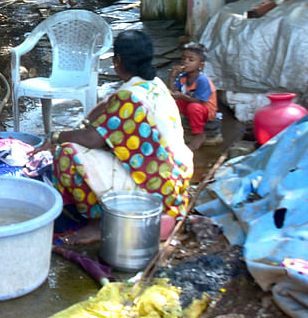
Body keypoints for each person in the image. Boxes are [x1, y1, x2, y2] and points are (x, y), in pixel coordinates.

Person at [32, 30, 194, 244]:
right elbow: (108, 105)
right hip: (174, 183)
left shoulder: (128, 98)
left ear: (117, 61)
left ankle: (97, 225)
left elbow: (92, 139)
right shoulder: (154, 84)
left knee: (68, 153)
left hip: (156, 191)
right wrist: (92, 118)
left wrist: (55, 136)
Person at [170, 42, 218, 151]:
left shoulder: (202, 79)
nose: (185, 62)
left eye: (191, 60)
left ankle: (200, 134)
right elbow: (174, 91)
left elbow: (199, 102)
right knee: (172, 103)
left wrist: (182, 96)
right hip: (191, 104)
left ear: (201, 65)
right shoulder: (183, 77)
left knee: (193, 107)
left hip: (206, 110)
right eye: (184, 59)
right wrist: (173, 75)